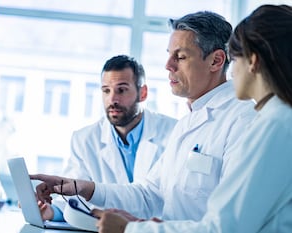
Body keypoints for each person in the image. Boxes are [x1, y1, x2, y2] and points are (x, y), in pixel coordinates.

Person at [31, 11, 257, 222]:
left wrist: (137, 229)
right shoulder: (188, 123)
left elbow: (232, 223)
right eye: (169, 56)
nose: (168, 66)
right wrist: (81, 187)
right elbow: (150, 194)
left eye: (180, 57)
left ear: (216, 61)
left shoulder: (243, 121)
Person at [92, 4, 292, 233]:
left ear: (253, 61)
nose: (233, 71)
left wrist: (130, 230)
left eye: (235, 59)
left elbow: (223, 228)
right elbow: (155, 193)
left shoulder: (272, 124)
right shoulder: (274, 119)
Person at [39, 55, 177, 221]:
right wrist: (50, 211)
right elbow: (74, 201)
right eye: (106, 90)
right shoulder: (84, 140)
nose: (112, 99)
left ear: (143, 93)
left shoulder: (174, 133)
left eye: (122, 90)